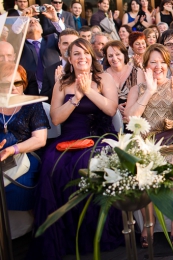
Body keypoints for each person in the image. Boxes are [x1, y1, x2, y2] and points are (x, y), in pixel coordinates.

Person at [31, 39, 123, 259]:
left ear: (92, 56)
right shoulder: (62, 83)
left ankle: (95, 232)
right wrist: (76, 98)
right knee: (53, 164)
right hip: (70, 137)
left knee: (87, 163)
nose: (82, 57)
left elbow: (111, 110)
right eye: (76, 54)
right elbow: (55, 118)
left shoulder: (104, 79)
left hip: (99, 135)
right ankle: (67, 234)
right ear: (69, 59)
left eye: (86, 53)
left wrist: (88, 91)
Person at [125, 44, 173, 248]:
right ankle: (149, 223)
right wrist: (149, 90)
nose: (158, 66)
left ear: (168, 64)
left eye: (162, 62)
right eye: (153, 62)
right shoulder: (137, 89)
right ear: (146, 66)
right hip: (146, 140)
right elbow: (130, 118)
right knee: (140, 166)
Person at [0, 63, 49, 238]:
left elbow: (40, 139)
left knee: (19, 187)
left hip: (25, 156)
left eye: (17, 83)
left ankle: (29, 232)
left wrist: (12, 149)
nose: (13, 88)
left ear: (24, 83)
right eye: (6, 84)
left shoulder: (32, 105)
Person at [19, 14, 60, 92]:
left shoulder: (52, 39)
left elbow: (66, 37)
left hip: (54, 85)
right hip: (29, 89)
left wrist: (55, 20)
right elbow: (13, 35)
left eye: (36, 21)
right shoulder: (20, 45)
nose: (32, 22)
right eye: (29, 21)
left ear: (42, 28)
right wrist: (22, 18)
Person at [103, 40, 139, 122]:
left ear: (124, 54)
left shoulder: (137, 72)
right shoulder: (103, 76)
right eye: (110, 56)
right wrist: (115, 107)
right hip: (112, 120)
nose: (114, 58)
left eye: (118, 54)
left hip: (134, 120)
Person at [40, 29, 79, 104]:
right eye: (65, 43)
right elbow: (44, 101)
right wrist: (57, 85)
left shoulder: (88, 68)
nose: (69, 47)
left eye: (73, 43)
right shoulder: (49, 71)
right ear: (59, 45)